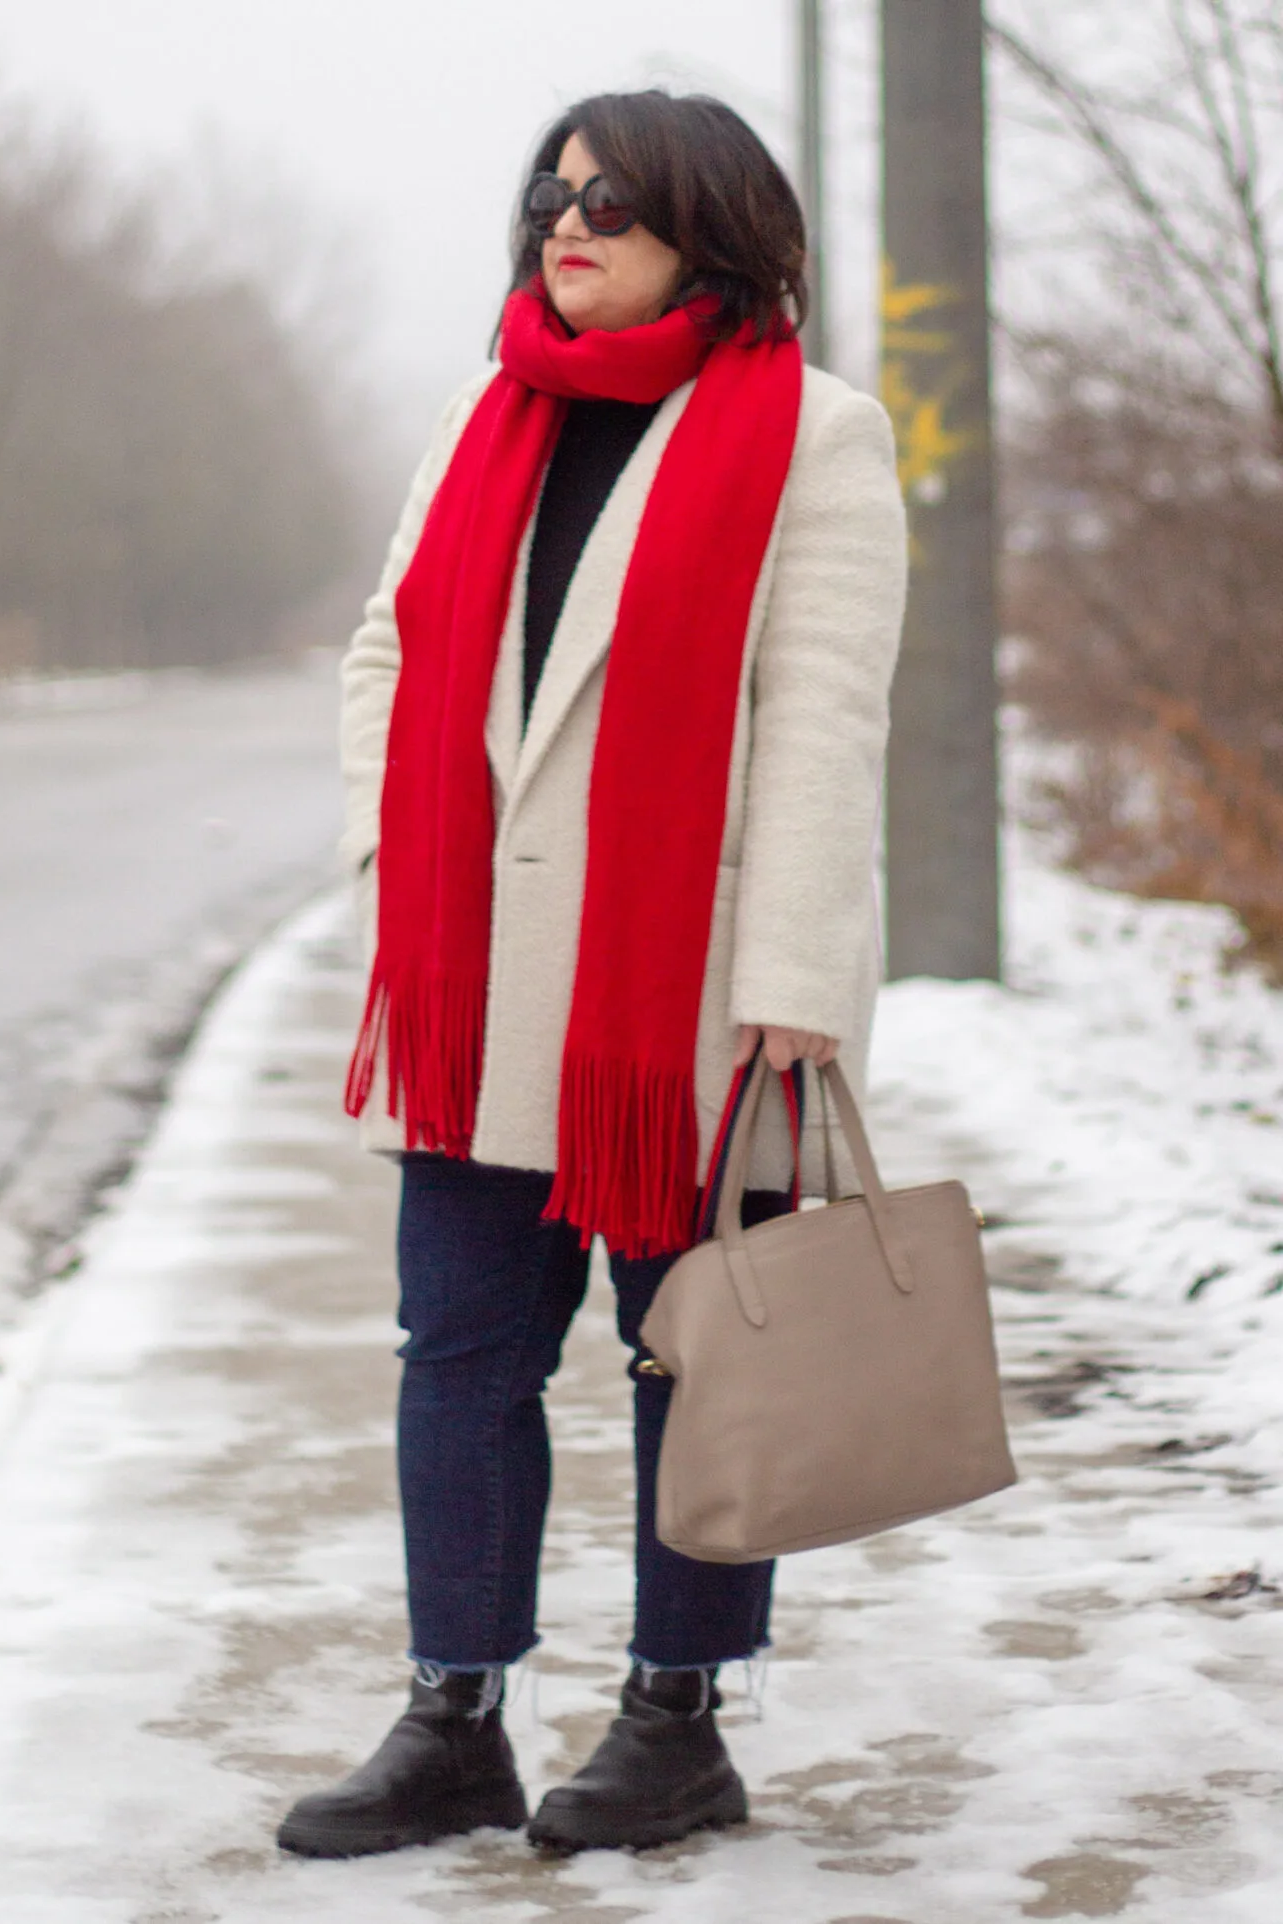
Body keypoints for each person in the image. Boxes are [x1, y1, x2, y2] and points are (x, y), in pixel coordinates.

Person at [278, 88, 907, 1861]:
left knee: (692, 1356)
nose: (573, 220)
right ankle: (454, 1714)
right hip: (478, 985)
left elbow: (822, 727)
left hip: (692, 993)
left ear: (709, 225)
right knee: (459, 1350)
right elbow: (388, 652)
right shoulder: (495, 412)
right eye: (552, 193)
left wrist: (794, 976)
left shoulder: (815, 439)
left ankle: (678, 1719)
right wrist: (392, 867)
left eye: (614, 198)